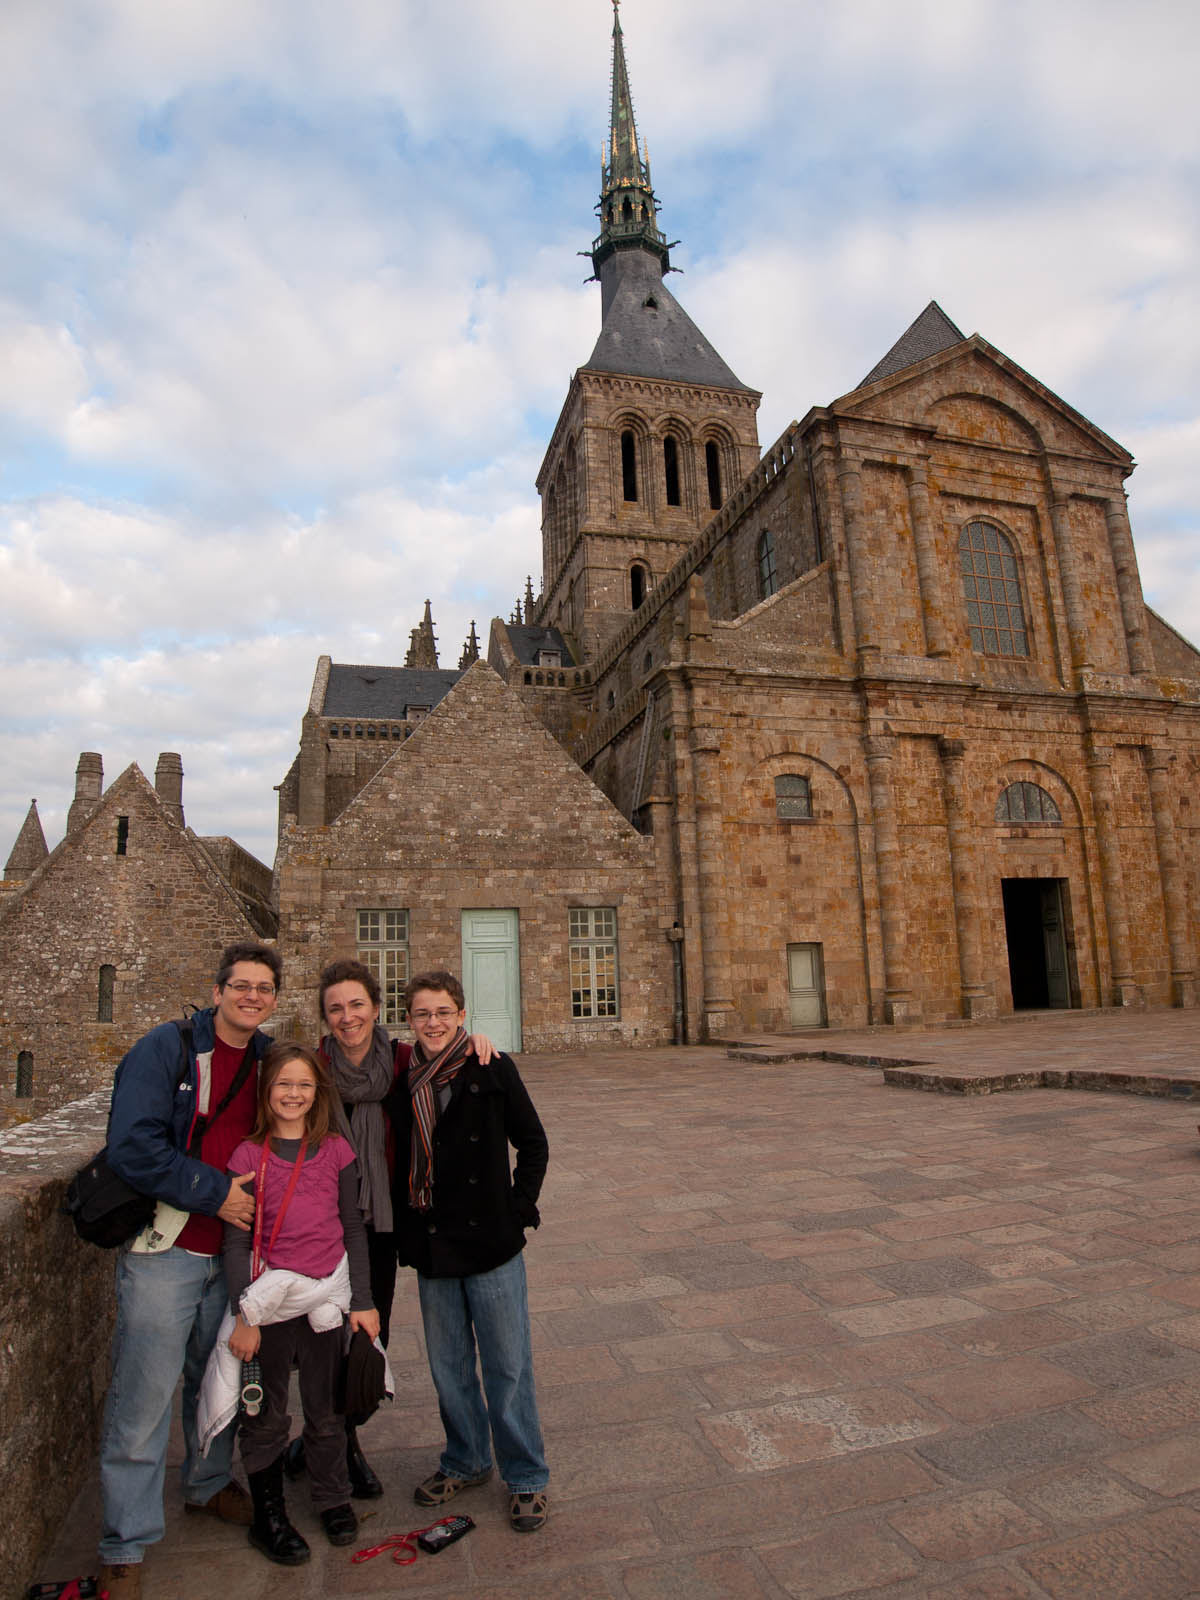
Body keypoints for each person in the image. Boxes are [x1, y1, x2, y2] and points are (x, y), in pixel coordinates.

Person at [97, 941, 283, 1600]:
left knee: (216, 1384)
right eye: (241, 985)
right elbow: (132, 1145)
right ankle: (125, 1541)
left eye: (264, 988)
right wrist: (216, 1194)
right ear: (218, 990)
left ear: (274, 999)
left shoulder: (268, 1059)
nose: (252, 996)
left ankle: (205, 1485)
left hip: (234, 1257)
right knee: (143, 1396)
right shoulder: (166, 1049)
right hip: (168, 1249)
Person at [284, 958, 494, 1498]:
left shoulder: (403, 1062)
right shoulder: (312, 1069)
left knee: (369, 1340)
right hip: (322, 1225)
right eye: (336, 1008)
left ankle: (329, 1435)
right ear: (325, 1016)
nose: (348, 1016)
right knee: (323, 1341)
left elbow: (451, 1059)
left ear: (376, 1009)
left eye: (357, 1004)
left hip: (383, 1222)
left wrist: (478, 1042)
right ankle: (339, 1446)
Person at [385, 970, 550, 1533]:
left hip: (491, 1243)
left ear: (461, 1015)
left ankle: (525, 1474)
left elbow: (533, 1143)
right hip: (435, 1243)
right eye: (422, 1014)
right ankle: (467, 1459)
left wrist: (518, 1208)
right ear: (409, 1020)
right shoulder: (401, 1076)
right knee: (449, 1366)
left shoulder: (491, 1066)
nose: (432, 1023)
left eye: (443, 1012)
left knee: (507, 1365)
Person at [223, 1043, 380, 1564]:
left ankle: (332, 1498)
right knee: (266, 1414)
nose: (293, 1094)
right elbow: (237, 1244)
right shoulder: (248, 1157)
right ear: (267, 1091)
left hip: (325, 1300)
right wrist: (244, 1316)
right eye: (283, 1084)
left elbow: (353, 1228)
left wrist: (363, 1300)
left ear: (318, 1093)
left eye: (304, 1085)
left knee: (327, 1407)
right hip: (270, 1305)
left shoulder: (336, 1151)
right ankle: (269, 1514)